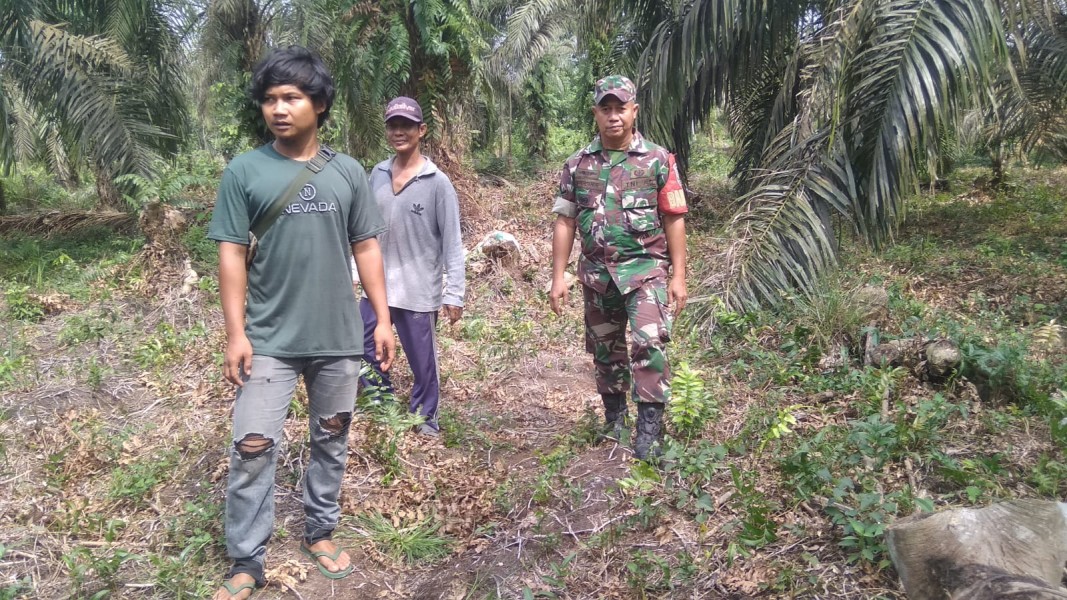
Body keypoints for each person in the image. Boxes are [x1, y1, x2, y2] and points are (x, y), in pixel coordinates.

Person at [207, 46, 396, 600]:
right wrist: (236, 333)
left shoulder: (348, 172)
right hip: (268, 337)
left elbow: (366, 246)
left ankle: (320, 529)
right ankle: (246, 558)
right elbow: (231, 254)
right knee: (252, 445)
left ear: (319, 104)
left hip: (337, 335)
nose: (278, 109)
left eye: (291, 97)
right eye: (269, 99)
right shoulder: (244, 171)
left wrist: (382, 319)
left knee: (332, 436)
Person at [549, 75, 689, 461]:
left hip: (646, 272)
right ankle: (614, 421)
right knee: (606, 350)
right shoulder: (577, 164)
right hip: (597, 275)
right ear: (595, 113)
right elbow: (565, 221)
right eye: (605, 109)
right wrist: (558, 275)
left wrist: (678, 276)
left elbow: (674, 218)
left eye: (620, 108)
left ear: (634, 111)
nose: (613, 116)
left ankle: (649, 432)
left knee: (649, 345)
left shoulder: (658, 160)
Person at [357, 96, 465, 437]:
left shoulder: (437, 183)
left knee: (423, 361)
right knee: (366, 349)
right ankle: (381, 407)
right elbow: (360, 232)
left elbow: (452, 241)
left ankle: (425, 418)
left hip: (418, 288)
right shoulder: (376, 174)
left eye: (406, 125)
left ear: (422, 130)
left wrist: (455, 293)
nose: (399, 132)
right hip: (377, 285)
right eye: (393, 125)